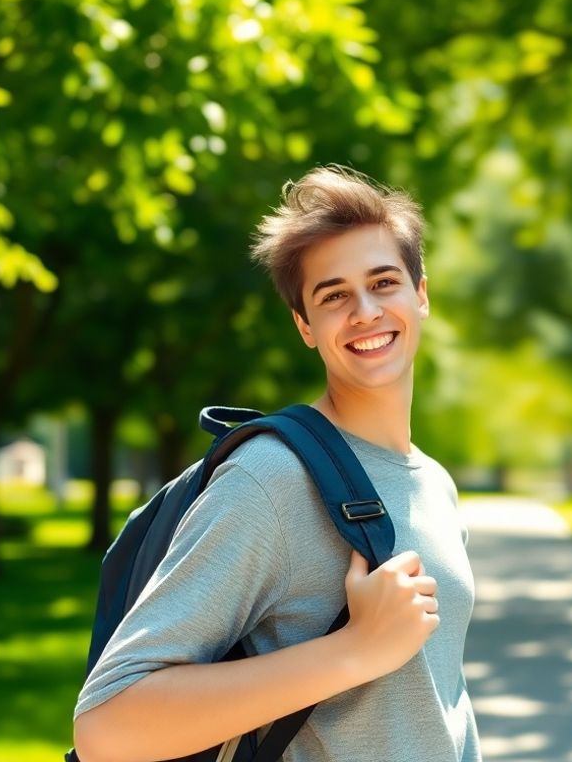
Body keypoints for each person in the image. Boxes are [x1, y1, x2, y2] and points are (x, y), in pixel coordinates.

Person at [71, 165, 481, 762]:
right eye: (333, 295)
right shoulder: (271, 479)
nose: (364, 311)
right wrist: (356, 649)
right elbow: (108, 726)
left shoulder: (434, 483)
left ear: (421, 295)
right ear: (304, 326)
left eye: (384, 282)